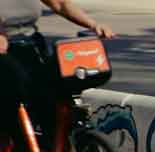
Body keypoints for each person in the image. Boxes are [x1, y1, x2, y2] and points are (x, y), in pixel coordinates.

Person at [1, 0, 115, 141]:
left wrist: (93, 24)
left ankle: (59, 148)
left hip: (30, 45)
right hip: (3, 50)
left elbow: (60, 4)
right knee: (20, 87)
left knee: (56, 87)